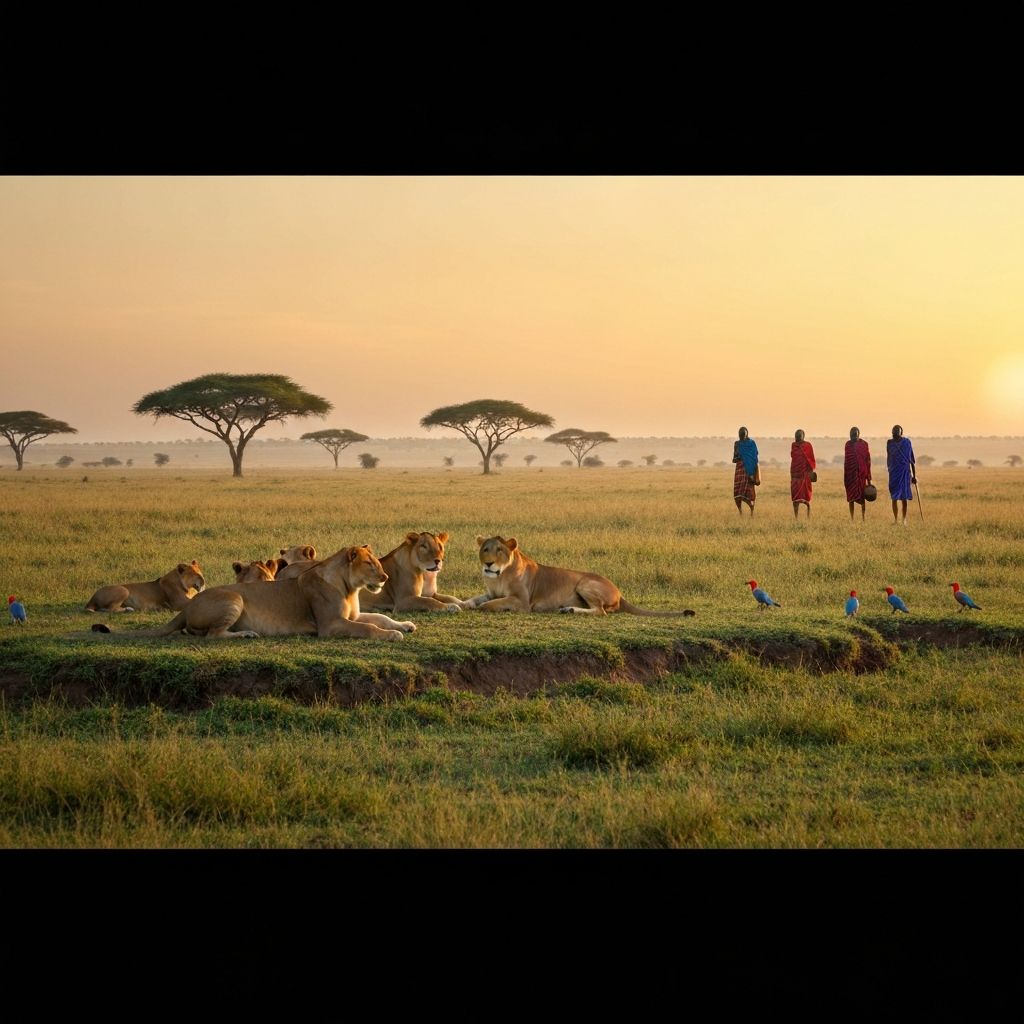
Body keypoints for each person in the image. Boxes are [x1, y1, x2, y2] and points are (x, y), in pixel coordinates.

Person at [886, 424, 917, 525]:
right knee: (894, 497)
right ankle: (895, 520)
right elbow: (888, 457)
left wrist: (914, 476)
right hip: (894, 473)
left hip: (904, 473)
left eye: (897, 435)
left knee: (904, 497)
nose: (895, 437)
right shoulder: (890, 443)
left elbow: (911, 460)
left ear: (901, 433)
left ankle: (904, 520)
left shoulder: (907, 443)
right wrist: (889, 469)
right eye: (894, 435)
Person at [844, 427, 872, 522]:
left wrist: (869, 479)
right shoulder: (848, 445)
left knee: (862, 497)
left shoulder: (864, 445)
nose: (853, 437)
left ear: (859, 434)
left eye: (855, 434)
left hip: (861, 475)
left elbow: (867, 461)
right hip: (850, 475)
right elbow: (847, 461)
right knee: (851, 498)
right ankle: (852, 518)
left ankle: (863, 518)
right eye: (852, 435)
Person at [790, 429, 816, 519]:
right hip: (795, 474)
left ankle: (808, 516)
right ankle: (796, 517)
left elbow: (811, 459)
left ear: (803, 436)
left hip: (805, 475)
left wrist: (811, 471)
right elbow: (794, 458)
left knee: (806, 498)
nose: (797, 437)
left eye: (799, 435)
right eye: (796, 435)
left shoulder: (807, 445)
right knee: (795, 499)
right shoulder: (794, 445)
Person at [733, 427, 759, 516]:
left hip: (749, 472)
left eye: (742, 435)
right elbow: (736, 458)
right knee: (738, 492)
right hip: (742, 470)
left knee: (749, 492)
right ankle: (741, 512)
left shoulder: (751, 444)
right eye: (741, 435)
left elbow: (754, 457)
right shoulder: (738, 444)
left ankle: (751, 512)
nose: (742, 436)